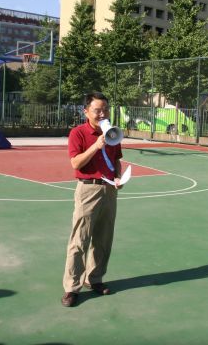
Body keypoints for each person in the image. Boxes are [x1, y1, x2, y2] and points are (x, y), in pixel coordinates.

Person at [61, 92, 123, 307]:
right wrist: (96, 145)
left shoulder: (113, 133)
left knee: (103, 239)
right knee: (80, 240)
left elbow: (116, 160)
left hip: (109, 190)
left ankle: (94, 279)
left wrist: (118, 177)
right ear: (86, 111)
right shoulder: (78, 133)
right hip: (88, 189)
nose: (103, 114)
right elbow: (75, 163)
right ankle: (71, 288)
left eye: (106, 109)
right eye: (98, 110)